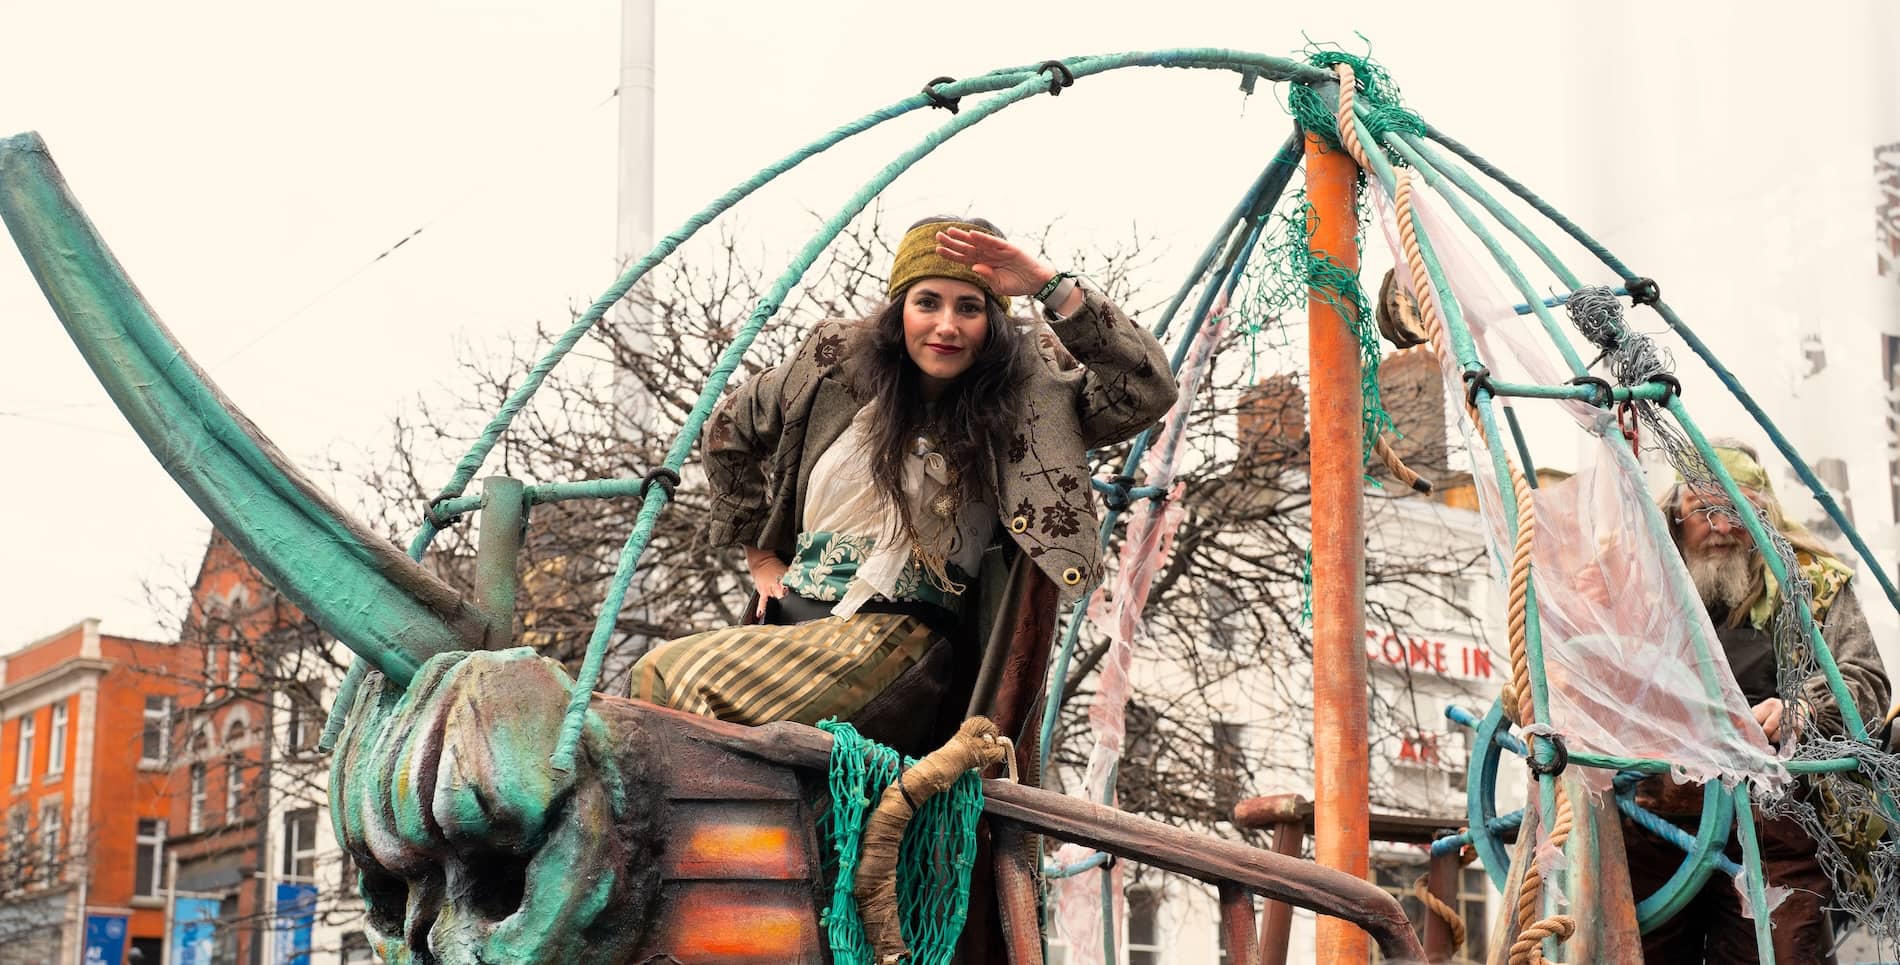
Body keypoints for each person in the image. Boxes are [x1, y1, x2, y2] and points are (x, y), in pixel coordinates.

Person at [630, 216, 1176, 738]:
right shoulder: (833, 366)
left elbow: (1147, 388)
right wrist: (759, 555)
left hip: (903, 640)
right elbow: (727, 430)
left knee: (673, 676)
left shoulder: (1031, 399)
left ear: (992, 324)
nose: (946, 325)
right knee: (655, 686)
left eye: (969, 308)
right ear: (900, 312)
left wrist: (1045, 284)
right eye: (927, 303)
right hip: (791, 623)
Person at [1623, 439, 1889, 964]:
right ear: (1677, 515)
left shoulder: (1813, 585)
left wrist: (1802, 709)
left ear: (1762, 514)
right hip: (1658, 829)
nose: (1722, 526)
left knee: (1779, 954)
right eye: (1705, 510)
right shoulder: (1636, 582)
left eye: (1737, 509)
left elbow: (1866, 681)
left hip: (1775, 830)